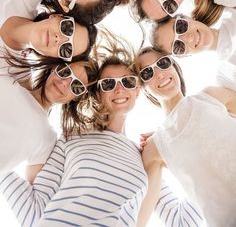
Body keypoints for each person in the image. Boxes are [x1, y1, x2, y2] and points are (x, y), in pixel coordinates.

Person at [0, 40, 203, 227]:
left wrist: (178, 154)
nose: (119, 90)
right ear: (98, 93)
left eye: (128, 82)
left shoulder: (145, 157)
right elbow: (35, 211)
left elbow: (182, 220)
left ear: (138, 90)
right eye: (108, 84)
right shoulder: (71, 137)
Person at [138, 47, 236, 226]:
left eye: (163, 63)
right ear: (143, 89)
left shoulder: (212, 96)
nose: (159, 73)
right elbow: (147, 219)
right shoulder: (154, 148)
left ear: (174, 66)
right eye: (147, 73)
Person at [0, 58, 97, 176]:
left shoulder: (48, 139)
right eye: (65, 71)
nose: (64, 82)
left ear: (77, 98)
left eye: (76, 86)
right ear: (54, 68)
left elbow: (34, 191)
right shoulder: (12, 75)